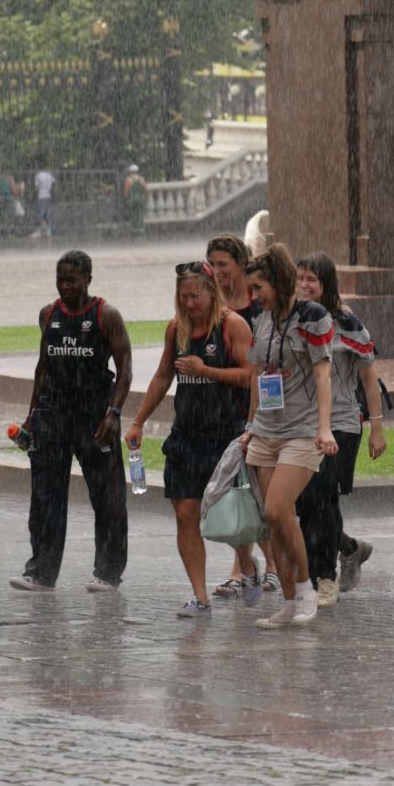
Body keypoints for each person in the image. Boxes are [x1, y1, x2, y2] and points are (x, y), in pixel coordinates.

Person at [125, 260, 252, 616]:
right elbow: (163, 377)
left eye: (196, 296)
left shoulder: (232, 327)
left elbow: (250, 375)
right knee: (185, 513)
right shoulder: (176, 330)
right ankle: (200, 596)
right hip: (185, 436)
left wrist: (206, 370)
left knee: (230, 515)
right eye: (184, 296)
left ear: (212, 293)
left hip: (225, 435)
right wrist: (137, 422)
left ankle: (247, 563)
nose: (190, 303)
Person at [10, 250, 132, 593]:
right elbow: (42, 367)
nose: (65, 286)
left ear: (88, 280)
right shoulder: (48, 314)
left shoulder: (106, 315)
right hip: (54, 415)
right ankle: (41, 572)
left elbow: (125, 370)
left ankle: (108, 573)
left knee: (108, 497)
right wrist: (32, 415)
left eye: (72, 280)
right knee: (45, 496)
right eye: (60, 279)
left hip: (95, 417)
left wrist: (114, 413)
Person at [241, 243, 336, 629]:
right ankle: (288, 600)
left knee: (278, 510)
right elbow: (255, 374)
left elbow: (323, 373)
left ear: (277, 283)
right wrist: (250, 426)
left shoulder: (312, 316)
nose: (253, 296)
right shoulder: (260, 319)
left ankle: (306, 587)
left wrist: (324, 427)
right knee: (274, 523)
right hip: (266, 428)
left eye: (258, 288)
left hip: (301, 429)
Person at [294, 252, 385, 606]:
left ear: (326, 284)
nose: (304, 286)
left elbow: (369, 375)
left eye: (311, 280)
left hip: (342, 424)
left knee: (321, 495)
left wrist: (377, 428)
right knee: (305, 503)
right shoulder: (293, 320)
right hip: (301, 424)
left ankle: (323, 577)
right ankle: (348, 547)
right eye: (300, 278)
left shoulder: (345, 322)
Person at [205, 233, 275, 602]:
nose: (216, 272)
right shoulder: (210, 303)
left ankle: (274, 565)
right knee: (237, 487)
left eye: (223, 265)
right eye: (212, 264)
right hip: (224, 405)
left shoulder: (257, 300)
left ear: (242, 264)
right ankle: (243, 567)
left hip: (262, 403)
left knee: (263, 489)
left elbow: (261, 363)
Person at [123, 164, 148, 236]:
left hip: (133, 200)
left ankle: (134, 231)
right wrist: (145, 198)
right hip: (141, 200)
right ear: (137, 171)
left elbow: (126, 191)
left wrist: (125, 197)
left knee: (133, 215)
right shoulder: (142, 179)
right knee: (140, 215)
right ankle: (141, 230)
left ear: (130, 171)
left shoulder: (128, 179)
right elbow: (145, 190)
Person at [33, 164, 55, 237]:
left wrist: (34, 193)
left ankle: (38, 231)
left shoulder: (38, 175)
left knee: (40, 213)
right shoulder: (49, 175)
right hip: (48, 196)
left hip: (41, 196)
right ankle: (48, 231)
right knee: (47, 213)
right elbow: (53, 184)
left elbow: (36, 187)